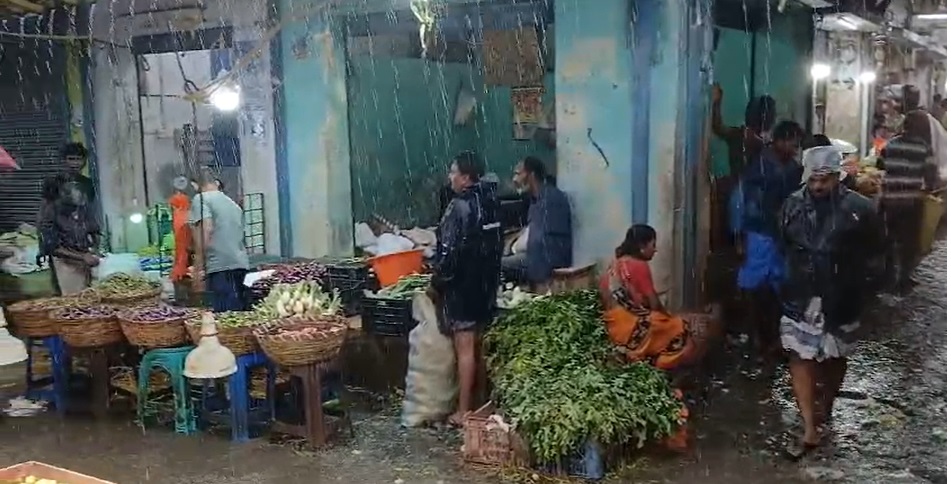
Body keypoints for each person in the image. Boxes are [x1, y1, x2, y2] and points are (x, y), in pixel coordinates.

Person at [779, 146, 884, 458]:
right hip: (801, 293)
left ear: (838, 177)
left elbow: (877, 251)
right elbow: (784, 241)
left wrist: (865, 288)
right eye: (813, 180)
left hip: (843, 294)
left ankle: (825, 407)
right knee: (800, 355)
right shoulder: (792, 205)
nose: (818, 186)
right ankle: (809, 425)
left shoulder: (861, 209)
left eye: (825, 179)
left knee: (836, 357)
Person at [430, 151, 501, 426]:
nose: (450, 177)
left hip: (463, 286)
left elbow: (449, 254)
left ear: (466, 176)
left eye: (453, 172)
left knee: (465, 347)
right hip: (486, 283)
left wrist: (437, 282)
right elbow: (494, 244)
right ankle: (481, 401)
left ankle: (464, 410)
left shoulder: (459, 206)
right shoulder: (491, 201)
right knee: (477, 344)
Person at [729, 120, 804, 359]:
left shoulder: (793, 169)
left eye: (797, 144)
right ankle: (755, 339)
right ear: (780, 140)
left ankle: (772, 339)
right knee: (753, 288)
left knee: (777, 288)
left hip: (781, 237)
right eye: (792, 142)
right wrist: (738, 235)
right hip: (758, 233)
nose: (794, 147)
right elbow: (741, 201)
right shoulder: (759, 165)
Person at [599, 224, 695, 370]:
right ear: (641, 246)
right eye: (653, 244)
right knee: (680, 327)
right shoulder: (639, 265)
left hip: (611, 326)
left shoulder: (614, 264)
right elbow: (654, 304)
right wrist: (669, 317)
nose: (655, 250)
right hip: (629, 330)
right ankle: (658, 362)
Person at [876, 110, 938, 291]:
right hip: (911, 201)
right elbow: (931, 174)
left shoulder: (891, 144)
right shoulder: (925, 147)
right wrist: (928, 188)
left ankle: (886, 275)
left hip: (889, 200)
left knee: (889, 238)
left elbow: (880, 164)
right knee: (909, 241)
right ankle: (903, 279)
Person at [38, 142, 100, 295]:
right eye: (71, 159)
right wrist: (43, 246)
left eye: (78, 159)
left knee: (87, 296)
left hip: (83, 249)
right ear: (63, 161)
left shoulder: (87, 183)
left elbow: (89, 213)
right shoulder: (53, 184)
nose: (74, 164)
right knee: (71, 300)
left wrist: (95, 243)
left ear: (84, 161)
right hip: (65, 253)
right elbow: (44, 220)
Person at [503, 156, 572, 287]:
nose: (514, 179)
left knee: (497, 266)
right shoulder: (537, 199)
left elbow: (540, 241)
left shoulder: (550, 198)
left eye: (518, 174)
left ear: (531, 175)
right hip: (538, 257)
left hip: (545, 261)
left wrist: (513, 249)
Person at [189, 167, 250, 312]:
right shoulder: (232, 203)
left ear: (195, 185)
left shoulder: (201, 199)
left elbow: (206, 229)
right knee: (240, 313)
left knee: (225, 316)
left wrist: (198, 267)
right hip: (241, 263)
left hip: (220, 266)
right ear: (216, 182)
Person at [711, 84, 777, 178]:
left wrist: (717, 102)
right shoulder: (769, 146)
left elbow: (717, 127)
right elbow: (717, 127)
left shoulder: (738, 135)